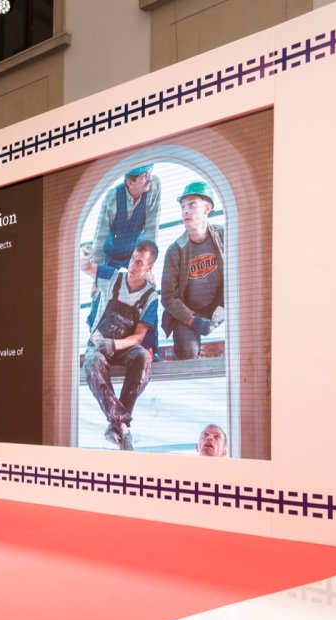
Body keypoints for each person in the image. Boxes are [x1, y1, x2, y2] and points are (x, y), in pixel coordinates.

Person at [83, 241, 159, 451]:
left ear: (149, 267)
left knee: (143, 357)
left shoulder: (150, 297)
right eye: (133, 258)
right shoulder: (113, 276)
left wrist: (114, 344)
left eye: (140, 262)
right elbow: (86, 267)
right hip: (99, 344)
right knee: (92, 362)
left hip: (123, 346)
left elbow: (138, 336)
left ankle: (115, 424)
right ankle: (122, 426)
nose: (133, 265)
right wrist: (86, 254)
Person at [84, 163, 161, 329]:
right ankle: (94, 334)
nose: (149, 178)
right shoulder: (112, 198)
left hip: (136, 253)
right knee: (100, 292)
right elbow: (100, 237)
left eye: (149, 173)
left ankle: (151, 348)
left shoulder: (154, 186)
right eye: (144, 176)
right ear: (130, 182)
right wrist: (98, 277)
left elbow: (151, 229)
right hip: (111, 254)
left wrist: (147, 270)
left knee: (149, 289)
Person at [161, 180, 225, 360]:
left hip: (220, 306)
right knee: (187, 352)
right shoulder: (175, 251)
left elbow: (239, 279)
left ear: (207, 208)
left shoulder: (224, 236)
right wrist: (193, 321)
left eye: (192, 205)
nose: (185, 211)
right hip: (188, 313)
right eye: (183, 207)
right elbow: (168, 297)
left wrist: (218, 317)